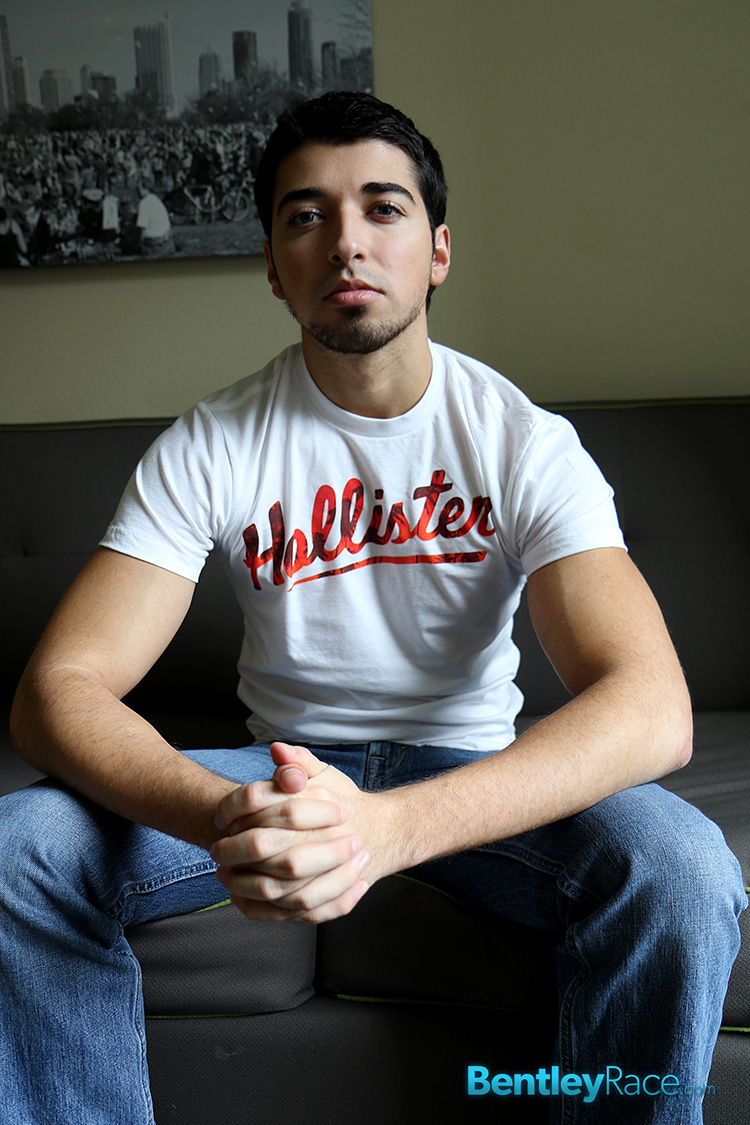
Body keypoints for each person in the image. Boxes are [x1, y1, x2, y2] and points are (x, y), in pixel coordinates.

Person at [4, 92, 745, 1124]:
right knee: (17, 850)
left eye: (383, 208)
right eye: (306, 215)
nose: (346, 241)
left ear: (438, 252)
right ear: (274, 266)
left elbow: (653, 709)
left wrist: (385, 830)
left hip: (468, 766)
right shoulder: (212, 443)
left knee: (682, 865)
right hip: (278, 773)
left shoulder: (524, 442)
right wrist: (228, 816)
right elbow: (58, 690)